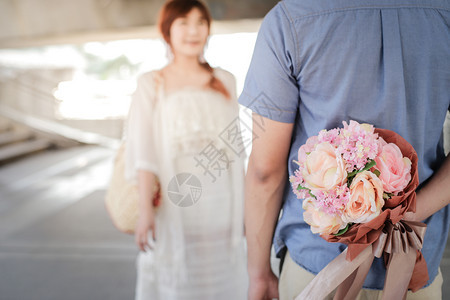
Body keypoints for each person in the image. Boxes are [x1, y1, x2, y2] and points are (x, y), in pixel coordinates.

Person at [239, 0, 450, 299]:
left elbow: (264, 171)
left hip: (318, 271)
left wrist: (258, 273)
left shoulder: (291, 18)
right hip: (413, 267)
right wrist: (402, 212)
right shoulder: (443, 13)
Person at [124, 1, 247, 299]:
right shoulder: (151, 83)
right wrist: (144, 211)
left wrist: (247, 209)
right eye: (183, 22)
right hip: (175, 203)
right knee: (180, 280)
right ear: (167, 30)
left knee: (221, 278)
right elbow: (144, 153)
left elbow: (236, 150)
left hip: (222, 204)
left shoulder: (225, 80)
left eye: (200, 22)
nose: (193, 30)